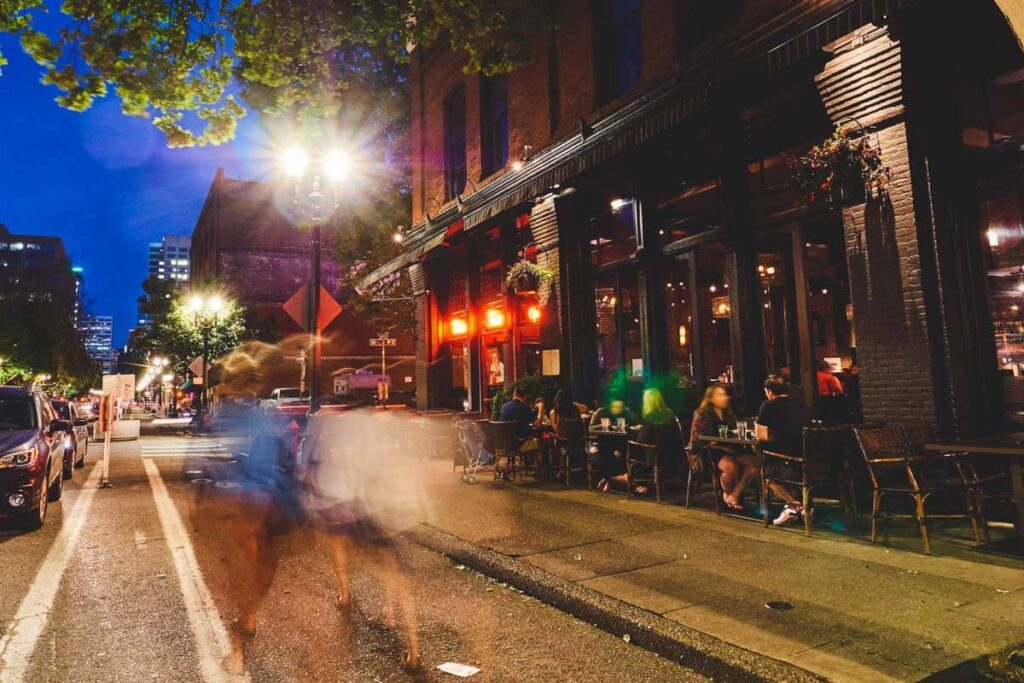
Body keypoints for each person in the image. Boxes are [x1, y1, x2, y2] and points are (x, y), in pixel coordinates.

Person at [689, 385, 758, 511]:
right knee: (731, 466)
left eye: (725, 395)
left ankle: (734, 495)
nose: (725, 398)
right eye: (720, 395)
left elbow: (733, 433)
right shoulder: (702, 413)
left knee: (754, 464)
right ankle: (727, 494)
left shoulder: (729, 414)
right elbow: (698, 438)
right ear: (711, 398)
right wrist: (720, 444)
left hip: (731, 448)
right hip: (708, 451)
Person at [755, 375, 811, 526]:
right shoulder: (802, 406)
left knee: (766, 473)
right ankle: (790, 509)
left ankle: (796, 505)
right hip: (808, 463)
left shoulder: (768, 406)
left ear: (769, 391)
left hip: (787, 462)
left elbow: (760, 436)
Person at [599, 388, 677, 495]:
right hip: (670, 452)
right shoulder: (669, 413)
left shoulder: (650, 416)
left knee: (624, 450)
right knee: (626, 449)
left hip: (651, 453)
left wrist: (639, 430)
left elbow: (643, 439)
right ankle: (618, 478)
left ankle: (617, 478)